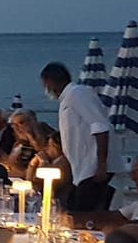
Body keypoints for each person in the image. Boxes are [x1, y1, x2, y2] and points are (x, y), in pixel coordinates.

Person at [42, 61, 113, 212]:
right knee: (73, 210)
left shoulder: (78, 93)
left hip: (92, 168)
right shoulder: (68, 99)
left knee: (82, 215)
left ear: (50, 82)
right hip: (81, 170)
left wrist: (102, 164)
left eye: (45, 85)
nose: (46, 89)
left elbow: (100, 126)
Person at [25, 129, 71, 201]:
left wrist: (43, 162)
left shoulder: (63, 164)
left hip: (57, 201)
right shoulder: (53, 162)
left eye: (49, 145)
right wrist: (32, 165)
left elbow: (38, 186)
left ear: (57, 147)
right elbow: (29, 182)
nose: (45, 149)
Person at [4, 109, 53, 176]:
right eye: (14, 125)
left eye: (21, 123)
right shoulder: (19, 144)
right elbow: (9, 165)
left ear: (32, 122)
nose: (17, 128)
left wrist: (31, 138)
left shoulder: (49, 139)